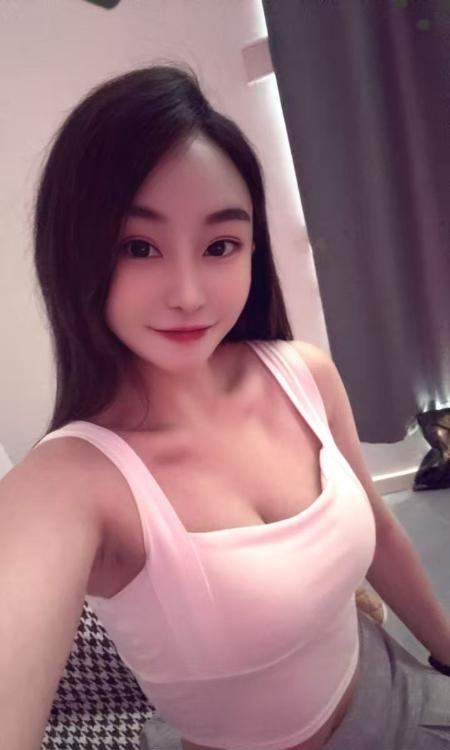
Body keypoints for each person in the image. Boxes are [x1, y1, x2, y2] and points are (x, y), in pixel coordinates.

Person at [1, 63, 450, 750]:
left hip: (400, 687)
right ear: (75, 253)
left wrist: (446, 651)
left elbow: (381, 535)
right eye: (138, 247)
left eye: (220, 245)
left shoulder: (303, 374)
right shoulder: (73, 483)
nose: (188, 294)